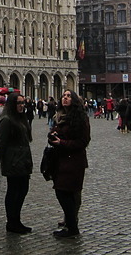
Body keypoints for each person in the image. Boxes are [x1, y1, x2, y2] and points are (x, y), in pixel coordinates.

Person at [0, 92, 34, 234]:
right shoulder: (6, 120)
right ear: (12, 104)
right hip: (13, 161)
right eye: (19, 103)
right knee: (13, 191)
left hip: (23, 159)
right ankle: (11, 222)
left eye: (23, 103)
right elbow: (1, 144)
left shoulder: (22, 118)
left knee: (23, 190)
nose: (22, 105)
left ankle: (16, 220)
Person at [48, 89, 91, 238]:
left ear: (74, 100)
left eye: (68, 96)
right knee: (63, 191)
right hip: (61, 159)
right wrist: (52, 136)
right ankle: (70, 222)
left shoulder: (80, 118)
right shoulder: (59, 116)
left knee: (69, 192)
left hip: (74, 160)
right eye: (63, 96)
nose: (65, 98)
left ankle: (72, 225)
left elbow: (84, 141)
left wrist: (63, 142)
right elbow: (57, 132)